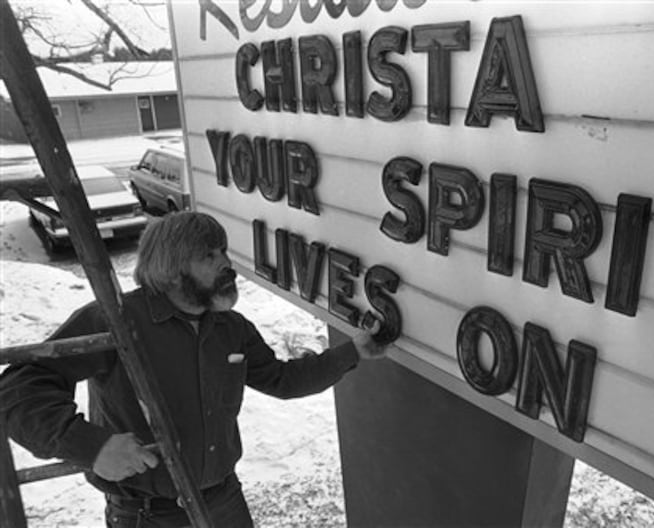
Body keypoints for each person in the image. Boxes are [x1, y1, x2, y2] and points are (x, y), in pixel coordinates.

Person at [0, 211, 386, 527]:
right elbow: (20, 386)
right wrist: (91, 445)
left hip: (225, 504)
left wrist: (352, 351)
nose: (226, 264)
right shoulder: (115, 320)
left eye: (222, 251)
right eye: (209, 256)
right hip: (148, 516)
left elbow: (282, 380)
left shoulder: (230, 329)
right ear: (171, 270)